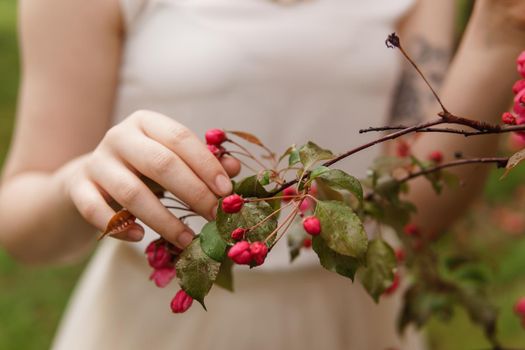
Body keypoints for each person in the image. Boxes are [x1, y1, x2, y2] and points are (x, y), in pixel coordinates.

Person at [0, 0, 524, 349]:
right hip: (159, 328)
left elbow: (416, 204)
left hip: (354, 318)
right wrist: (82, 180)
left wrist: (500, 32)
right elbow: (21, 224)